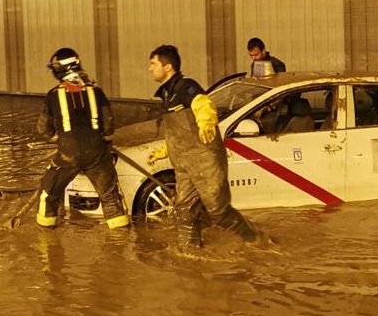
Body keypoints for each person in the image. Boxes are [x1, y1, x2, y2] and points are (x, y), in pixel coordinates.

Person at [148, 44, 260, 246]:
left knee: (218, 210)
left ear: (168, 67)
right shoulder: (166, 96)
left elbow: (203, 104)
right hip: (184, 164)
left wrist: (207, 123)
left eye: (153, 64)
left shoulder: (185, 87)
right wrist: (164, 151)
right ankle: (190, 251)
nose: (150, 69)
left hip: (204, 158)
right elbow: (179, 131)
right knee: (184, 208)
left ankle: (255, 240)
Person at [35, 48, 129, 231]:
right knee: (110, 196)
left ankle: (46, 242)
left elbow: (42, 129)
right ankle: (120, 240)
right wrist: (103, 141)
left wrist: (59, 140)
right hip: (97, 153)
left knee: (48, 193)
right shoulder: (97, 92)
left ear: (62, 68)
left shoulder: (53, 95)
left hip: (68, 155)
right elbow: (109, 124)